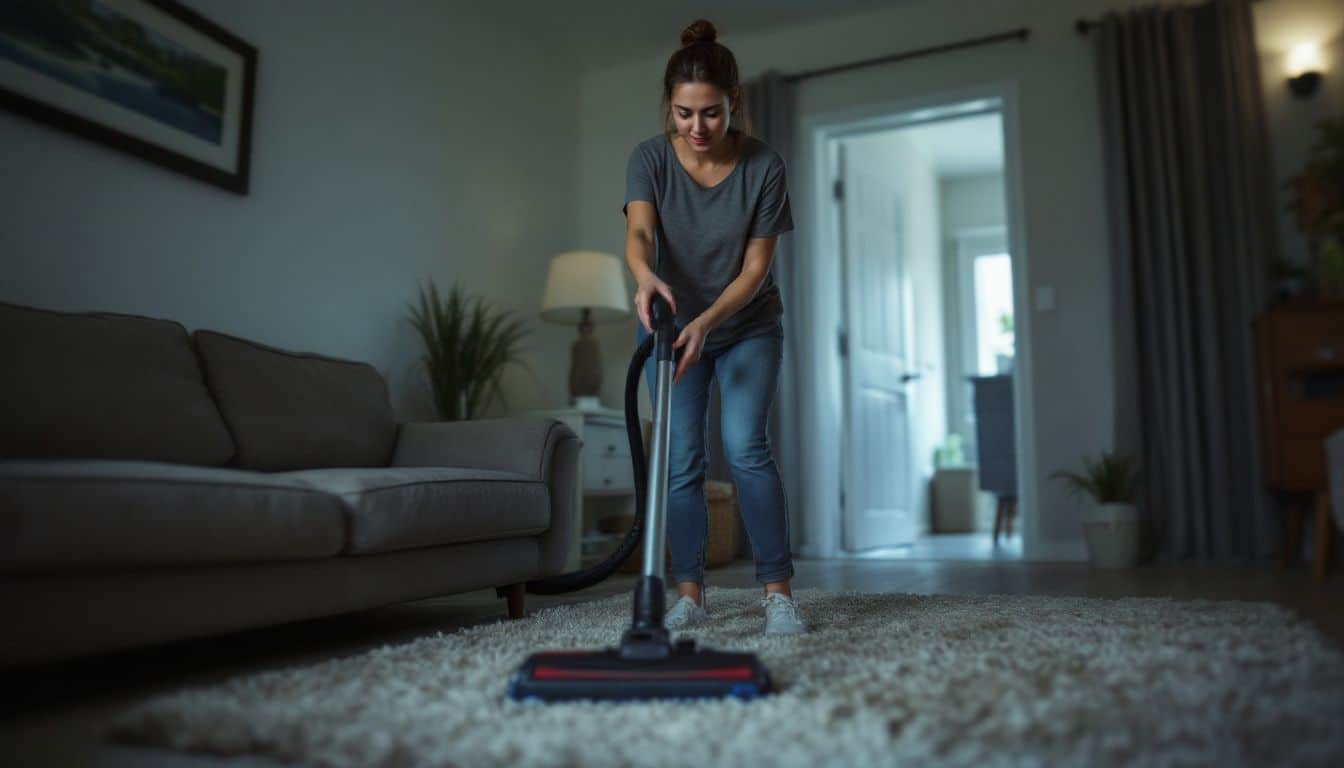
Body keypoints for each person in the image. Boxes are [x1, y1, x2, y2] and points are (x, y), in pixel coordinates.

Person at [622, 18, 804, 636]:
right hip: (671, 329)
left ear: (734, 105)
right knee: (680, 463)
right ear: (669, 108)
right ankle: (691, 596)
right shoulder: (649, 158)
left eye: (712, 114)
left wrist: (708, 320)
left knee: (747, 448)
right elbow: (640, 233)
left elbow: (755, 270)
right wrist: (645, 276)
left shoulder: (764, 166)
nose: (696, 128)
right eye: (683, 114)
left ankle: (778, 594)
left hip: (746, 324)